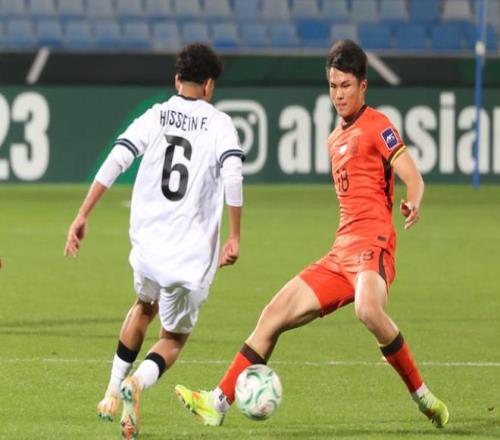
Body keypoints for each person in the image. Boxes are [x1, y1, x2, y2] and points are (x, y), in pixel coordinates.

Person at [175, 40, 449, 429]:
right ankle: (217, 403)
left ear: (363, 85)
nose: (339, 94)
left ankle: (423, 397)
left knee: (368, 309)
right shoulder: (333, 140)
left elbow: (413, 177)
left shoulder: (379, 126)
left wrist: (413, 202)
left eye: (346, 86)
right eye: (333, 86)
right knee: (272, 315)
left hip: (374, 246)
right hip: (340, 255)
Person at [64, 43, 245, 439]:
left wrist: (83, 214)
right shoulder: (220, 125)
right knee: (173, 338)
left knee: (143, 307)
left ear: (177, 80)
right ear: (209, 85)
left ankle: (111, 393)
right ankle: (138, 382)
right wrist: (234, 236)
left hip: (148, 247)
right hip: (189, 257)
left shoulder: (156, 114)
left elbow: (117, 158)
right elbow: (233, 175)